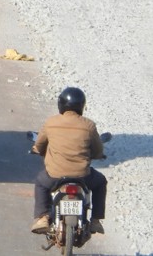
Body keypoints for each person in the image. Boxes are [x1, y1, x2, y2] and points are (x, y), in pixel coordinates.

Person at [30, 86, 107, 235]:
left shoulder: (50, 122)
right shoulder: (89, 125)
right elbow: (98, 151)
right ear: (81, 105)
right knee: (100, 182)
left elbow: (39, 145)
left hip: (55, 176)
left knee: (40, 182)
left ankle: (43, 218)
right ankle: (96, 220)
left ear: (61, 104)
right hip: (83, 177)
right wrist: (97, 155)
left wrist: (36, 150)